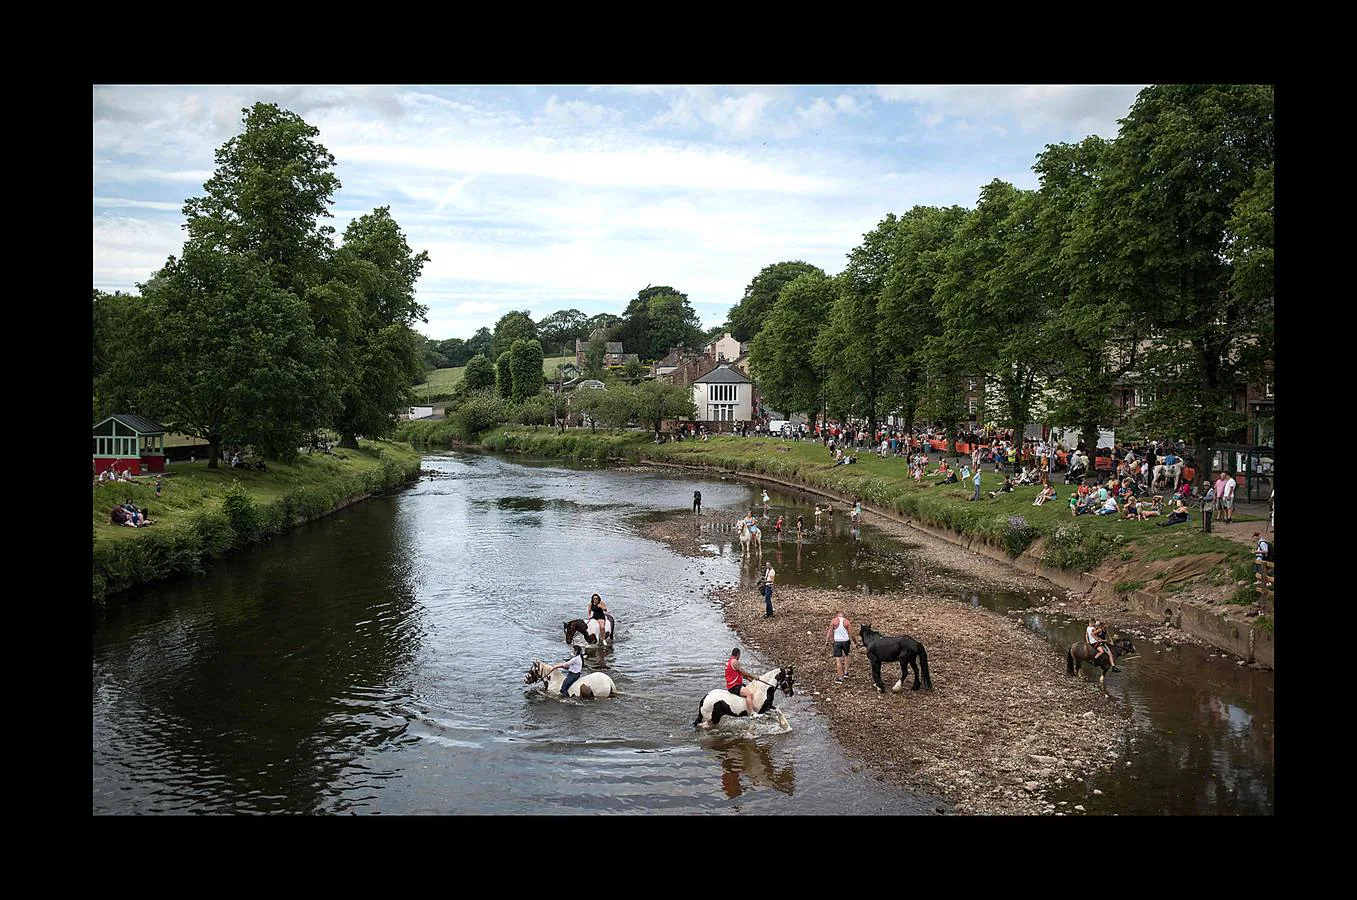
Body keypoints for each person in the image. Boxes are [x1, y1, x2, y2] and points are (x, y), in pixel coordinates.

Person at [725, 647, 762, 716]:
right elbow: (744, 672)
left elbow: (742, 675)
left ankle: (750, 708)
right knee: (749, 694)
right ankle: (752, 714)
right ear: (738, 654)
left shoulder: (729, 661)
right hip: (734, 686)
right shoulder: (734, 661)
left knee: (750, 689)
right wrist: (755, 677)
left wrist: (751, 680)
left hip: (735, 684)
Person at [826, 611, 853, 683]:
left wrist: (827, 641)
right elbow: (851, 634)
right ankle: (846, 672)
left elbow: (830, 631)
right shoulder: (847, 622)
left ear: (837, 615)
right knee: (847, 655)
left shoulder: (834, 621)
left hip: (837, 641)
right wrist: (855, 642)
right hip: (846, 641)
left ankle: (840, 678)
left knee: (838, 659)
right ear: (843, 616)